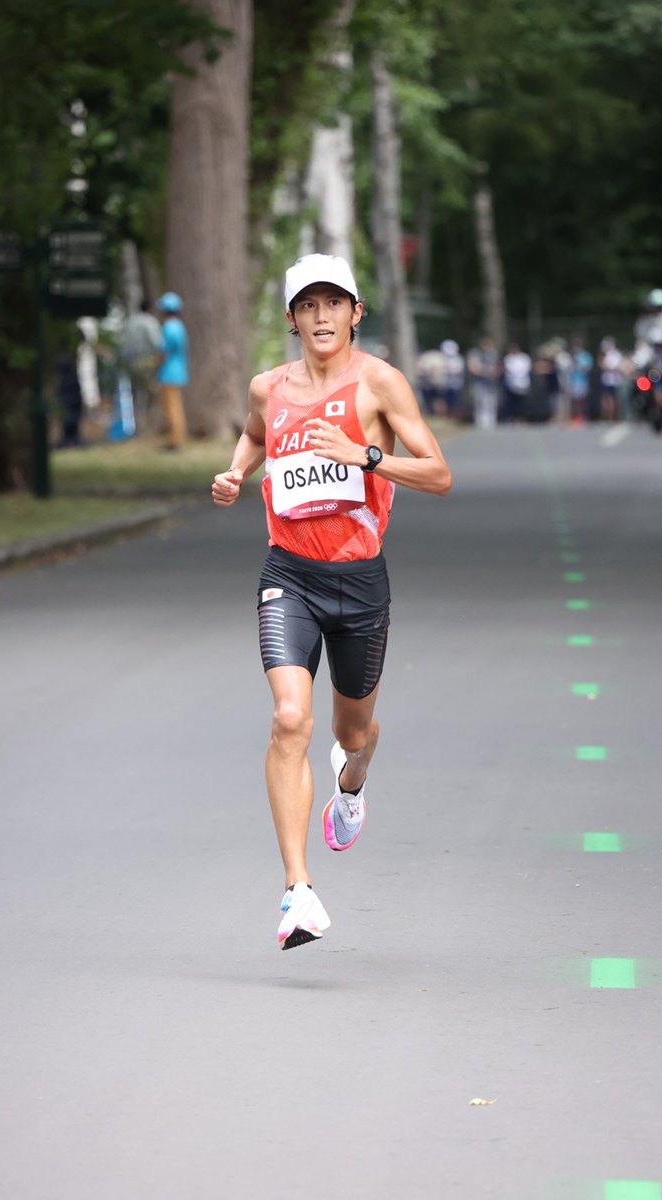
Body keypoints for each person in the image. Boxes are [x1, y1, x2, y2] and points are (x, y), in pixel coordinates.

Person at [211, 253, 452, 951]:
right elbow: (256, 434)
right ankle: (298, 891)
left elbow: (438, 473)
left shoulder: (379, 382)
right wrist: (236, 471)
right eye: (308, 306)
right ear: (292, 318)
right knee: (290, 719)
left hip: (359, 582)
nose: (322, 317)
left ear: (355, 313)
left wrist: (365, 457)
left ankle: (354, 780)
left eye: (334, 303)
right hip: (288, 572)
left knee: (353, 733)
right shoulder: (268, 388)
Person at [121, 299, 162, 434]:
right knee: (151, 394)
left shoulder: (130, 322)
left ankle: (137, 426)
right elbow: (157, 343)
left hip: (130, 363)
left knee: (135, 394)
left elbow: (123, 344)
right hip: (147, 362)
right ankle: (149, 426)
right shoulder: (150, 322)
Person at [156, 291, 189, 449]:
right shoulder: (180, 327)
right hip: (180, 370)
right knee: (177, 406)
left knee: (171, 408)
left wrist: (156, 364)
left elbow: (163, 351)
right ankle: (178, 437)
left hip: (169, 372)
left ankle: (175, 440)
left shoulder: (168, 327)